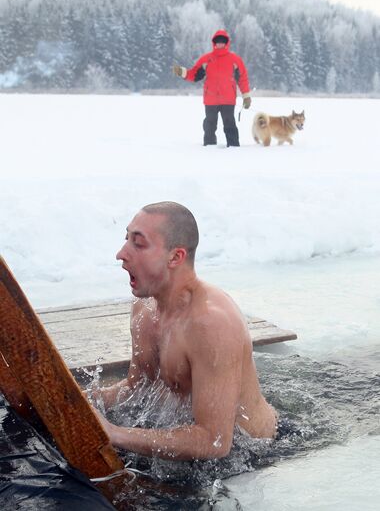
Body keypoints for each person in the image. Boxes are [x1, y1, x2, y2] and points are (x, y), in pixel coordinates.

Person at [93, 201, 277, 461]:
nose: (121, 253)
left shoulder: (212, 323)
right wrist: (83, 400)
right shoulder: (145, 307)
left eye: (138, 243)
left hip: (254, 457)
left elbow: (214, 442)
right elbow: (137, 389)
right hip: (200, 438)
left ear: (176, 256)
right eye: (126, 239)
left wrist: (116, 434)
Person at [173, 29, 252, 147]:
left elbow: (242, 79)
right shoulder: (206, 59)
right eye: (217, 42)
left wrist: (246, 96)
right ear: (214, 43)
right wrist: (182, 72)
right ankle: (209, 147)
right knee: (209, 125)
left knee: (230, 125)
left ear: (226, 43)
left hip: (228, 100)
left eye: (222, 42)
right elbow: (194, 74)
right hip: (210, 99)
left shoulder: (235, 60)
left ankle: (234, 148)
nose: (220, 44)